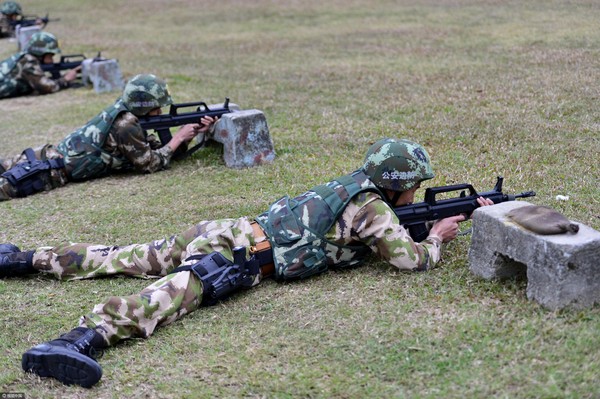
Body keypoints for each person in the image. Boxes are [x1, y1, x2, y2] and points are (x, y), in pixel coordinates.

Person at [0, 138, 494, 388]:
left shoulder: (355, 187)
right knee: (165, 297)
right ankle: (75, 340)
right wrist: (438, 238)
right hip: (238, 258)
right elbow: (408, 262)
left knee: (120, 255)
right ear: (400, 182)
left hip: (229, 229)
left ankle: (21, 259)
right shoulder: (374, 209)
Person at [0, 73, 218, 201]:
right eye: (157, 107)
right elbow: (149, 163)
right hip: (45, 172)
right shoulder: (125, 124)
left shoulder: (122, 109)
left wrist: (190, 135)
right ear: (144, 105)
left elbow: (151, 149)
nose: (160, 112)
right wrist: (178, 138)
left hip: (43, 156)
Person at [0, 31, 79, 98]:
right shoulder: (28, 62)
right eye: (50, 55)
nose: (52, 60)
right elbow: (46, 87)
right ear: (41, 53)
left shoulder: (25, 57)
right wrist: (65, 79)